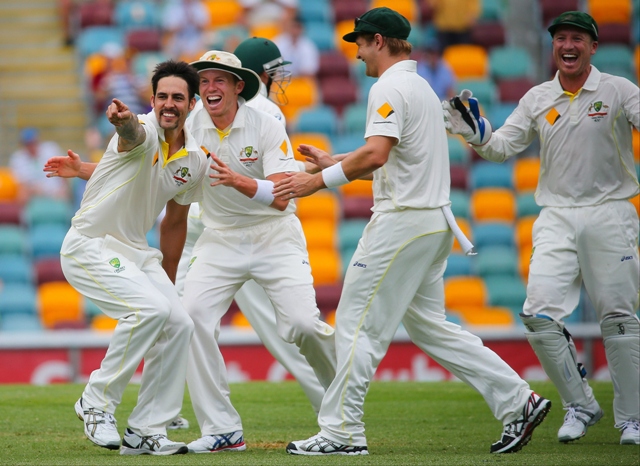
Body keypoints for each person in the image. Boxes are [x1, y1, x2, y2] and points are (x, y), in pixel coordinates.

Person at [273, 7, 551, 456]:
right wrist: (335, 164)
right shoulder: (420, 86)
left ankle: (342, 433)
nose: (358, 54)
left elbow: (377, 155)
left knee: (356, 324)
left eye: (361, 44)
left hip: (403, 223)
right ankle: (520, 401)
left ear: (379, 41)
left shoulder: (389, 86)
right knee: (429, 328)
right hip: (431, 221)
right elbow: (396, 162)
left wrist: (314, 181)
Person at [442, 11, 640, 446]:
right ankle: (581, 405)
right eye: (560, 39)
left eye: (577, 39)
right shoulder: (538, 97)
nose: (567, 46)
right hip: (556, 215)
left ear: (592, 46)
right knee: (538, 315)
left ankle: (632, 419)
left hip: (610, 211)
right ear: (553, 47)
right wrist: (474, 133)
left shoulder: (618, 90)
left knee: (620, 318)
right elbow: (500, 148)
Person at [43, 60, 208, 455]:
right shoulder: (145, 131)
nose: (169, 104)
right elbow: (132, 139)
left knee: (179, 323)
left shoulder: (196, 161)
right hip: (91, 243)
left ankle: (146, 430)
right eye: (163, 96)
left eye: (178, 98)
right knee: (149, 311)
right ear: (153, 100)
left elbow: (174, 222)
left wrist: (166, 282)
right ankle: (95, 403)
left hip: (137, 253)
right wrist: (123, 121)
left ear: (193, 104)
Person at [178, 50, 336, 453]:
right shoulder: (188, 125)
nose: (210, 88)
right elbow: (141, 157)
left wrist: (238, 181)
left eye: (219, 80)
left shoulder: (266, 124)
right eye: (204, 81)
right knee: (191, 319)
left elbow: (282, 196)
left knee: (302, 324)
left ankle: (344, 413)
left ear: (238, 86)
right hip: (219, 237)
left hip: (273, 235)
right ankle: (222, 430)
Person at [10, 127, 69, 204]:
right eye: (28, 144)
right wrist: (33, 190)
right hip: (34, 197)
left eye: (33, 142)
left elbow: (64, 172)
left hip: (57, 194)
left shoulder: (51, 149)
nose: (31, 146)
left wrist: (64, 189)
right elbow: (21, 185)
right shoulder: (17, 159)